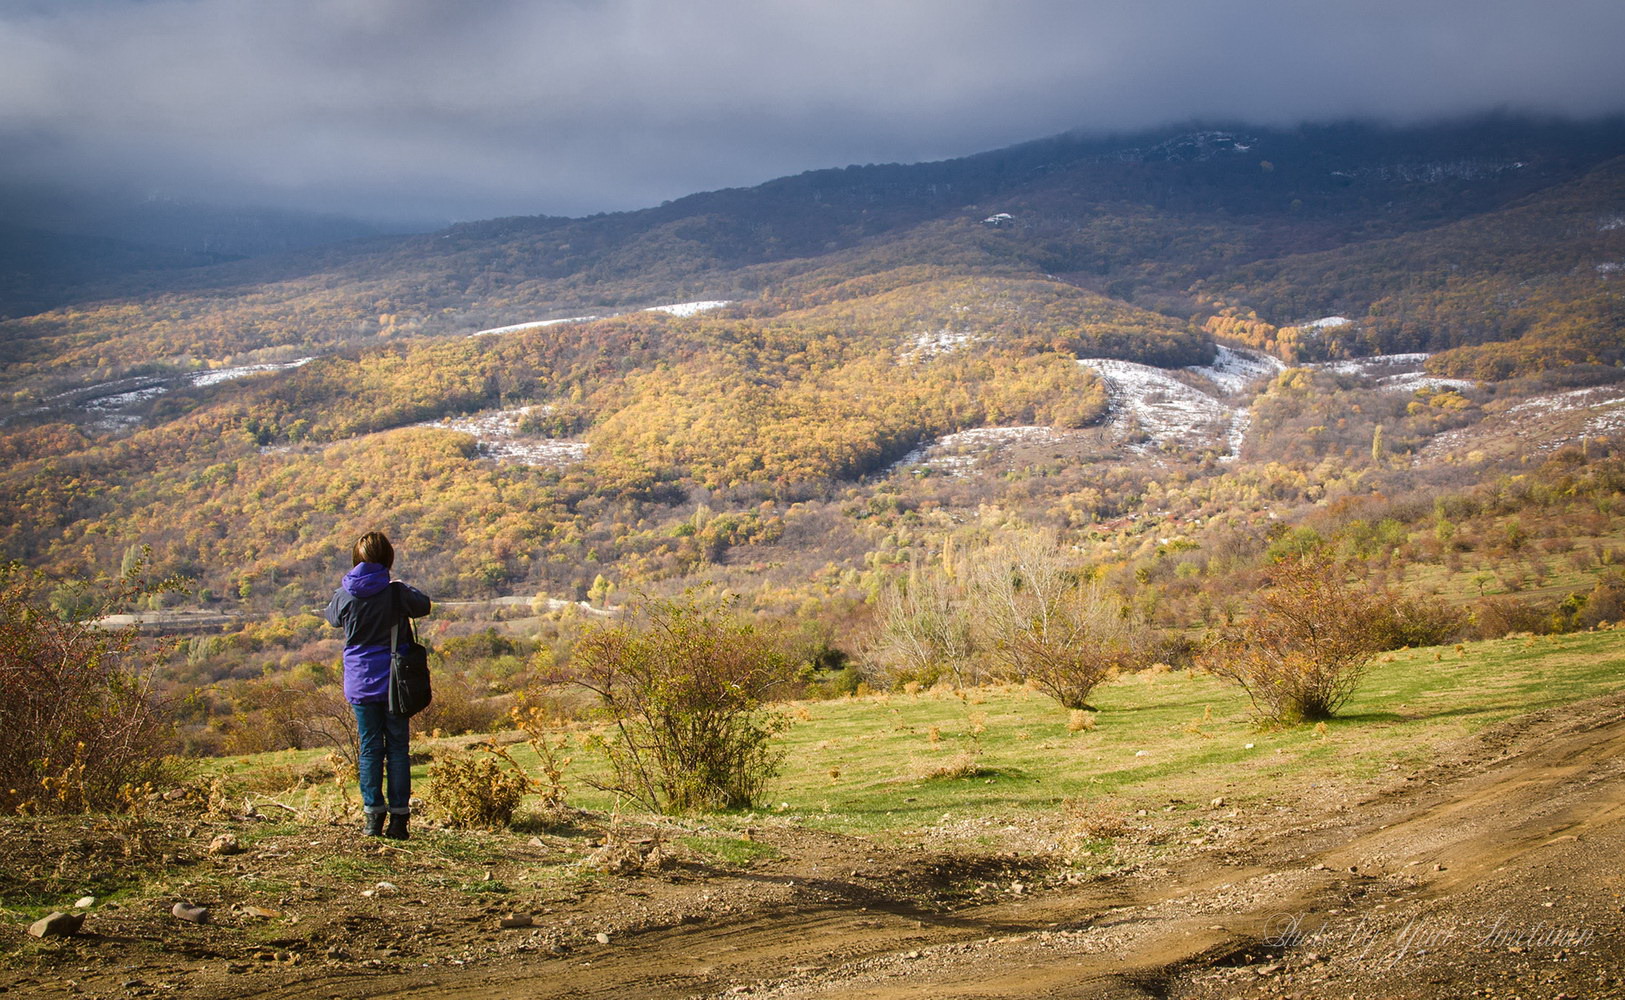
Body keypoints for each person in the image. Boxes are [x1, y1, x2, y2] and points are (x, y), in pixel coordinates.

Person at [324, 531, 432, 839]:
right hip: (394, 683)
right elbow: (424, 605)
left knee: (370, 749)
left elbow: (332, 617)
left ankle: (372, 817)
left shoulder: (344, 594)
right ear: (387, 558)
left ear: (356, 558)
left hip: (360, 681)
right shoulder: (395, 592)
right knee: (397, 748)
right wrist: (400, 587)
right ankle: (399, 821)